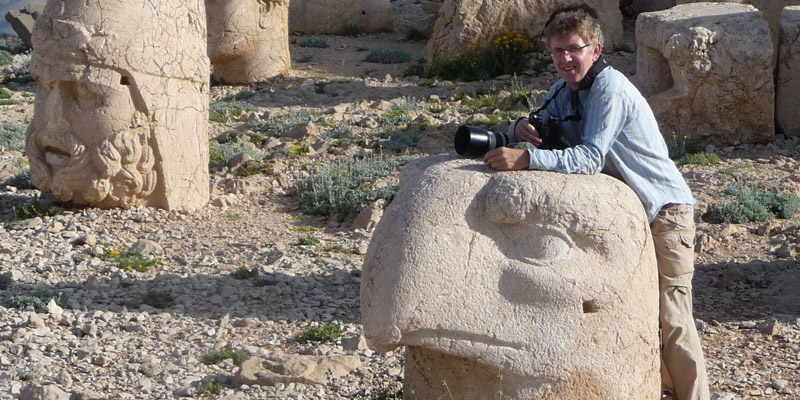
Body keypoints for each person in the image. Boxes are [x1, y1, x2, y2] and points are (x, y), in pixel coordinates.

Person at [483, 8, 710, 400]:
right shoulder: (564, 91)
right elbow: (541, 128)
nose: (565, 59)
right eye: (556, 51)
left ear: (596, 49)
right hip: (626, 217)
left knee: (672, 316)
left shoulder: (610, 89)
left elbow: (589, 158)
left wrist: (527, 159)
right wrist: (516, 131)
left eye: (573, 49)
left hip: (665, 212)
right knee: (633, 311)